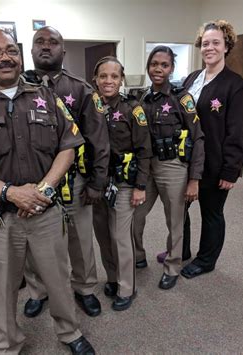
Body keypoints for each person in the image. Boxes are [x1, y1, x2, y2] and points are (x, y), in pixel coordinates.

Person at [0, 29, 95, 355]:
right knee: (5, 285)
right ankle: (7, 343)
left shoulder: (47, 97)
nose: (5, 57)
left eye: (11, 50)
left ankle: (69, 333)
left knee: (58, 278)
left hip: (45, 209)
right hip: (0, 217)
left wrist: (42, 189)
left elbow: (68, 148)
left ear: (20, 56)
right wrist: (11, 193)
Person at [22, 26, 110, 318]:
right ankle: (38, 291)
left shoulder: (81, 89)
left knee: (80, 240)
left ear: (64, 50)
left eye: (53, 42)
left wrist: (97, 182)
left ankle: (85, 288)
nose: (46, 47)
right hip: (31, 184)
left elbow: (99, 139)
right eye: (39, 42)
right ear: (31, 49)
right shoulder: (16, 88)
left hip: (74, 182)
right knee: (34, 243)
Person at [178, 20, 243, 279]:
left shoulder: (235, 86)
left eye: (216, 43)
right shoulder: (191, 79)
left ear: (226, 47)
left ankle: (206, 260)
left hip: (215, 163)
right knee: (179, 209)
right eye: (205, 43)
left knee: (211, 213)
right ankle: (182, 250)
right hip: (186, 160)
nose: (209, 47)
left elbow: (240, 129)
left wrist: (231, 170)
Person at [132, 46, 205, 289]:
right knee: (135, 216)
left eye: (164, 65)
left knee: (175, 221)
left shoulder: (181, 98)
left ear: (171, 68)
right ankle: (138, 256)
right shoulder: (141, 98)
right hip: (146, 167)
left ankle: (173, 266)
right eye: (154, 64)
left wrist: (194, 179)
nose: (158, 69)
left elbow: (197, 138)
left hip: (173, 167)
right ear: (148, 66)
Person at [91, 56, 152, 310]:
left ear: (121, 79)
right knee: (103, 236)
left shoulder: (132, 108)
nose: (108, 81)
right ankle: (113, 278)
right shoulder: (89, 107)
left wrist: (140, 186)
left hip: (124, 183)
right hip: (96, 184)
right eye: (103, 76)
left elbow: (145, 149)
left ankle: (127, 287)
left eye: (114, 76)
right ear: (95, 79)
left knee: (120, 237)